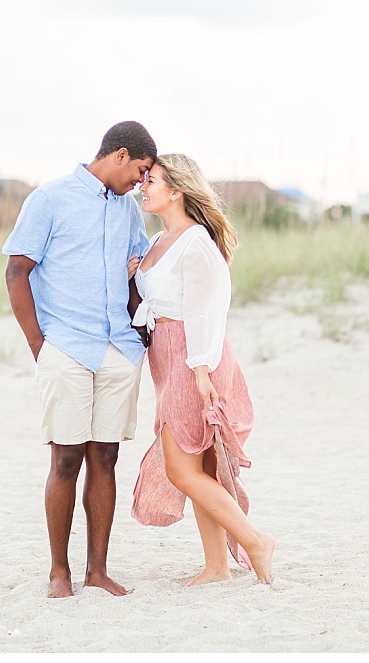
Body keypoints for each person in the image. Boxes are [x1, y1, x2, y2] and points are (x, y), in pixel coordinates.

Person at [2, 121, 156, 599]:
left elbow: (138, 276)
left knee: (105, 458)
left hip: (118, 347)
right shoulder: (50, 199)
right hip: (66, 346)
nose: (142, 182)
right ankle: (58, 573)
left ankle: (98, 571)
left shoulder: (131, 212)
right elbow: (16, 271)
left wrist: (141, 331)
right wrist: (38, 345)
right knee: (66, 459)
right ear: (120, 155)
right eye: (141, 171)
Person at [129, 153, 275, 586]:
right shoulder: (158, 242)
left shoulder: (196, 244)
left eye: (150, 180)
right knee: (201, 467)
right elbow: (153, 302)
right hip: (167, 360)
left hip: (194, 358)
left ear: (175, 190)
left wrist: (200, 372)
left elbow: (205, 312)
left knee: (181, 469)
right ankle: (216, 567)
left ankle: (255, 539)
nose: (143, 186)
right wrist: (135, 274)